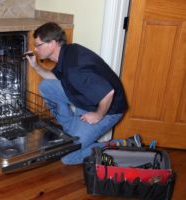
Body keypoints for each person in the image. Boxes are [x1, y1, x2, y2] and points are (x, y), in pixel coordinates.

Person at [25, 22, 131, 165]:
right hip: (86, 98)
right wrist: (36, 66)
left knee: (67, 157)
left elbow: (108, 92)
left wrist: (98, 115)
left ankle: (122, 146)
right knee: (47, 86)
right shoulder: (68, 52)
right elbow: (56, 78)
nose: (36, 50)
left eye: (38, 45)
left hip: (108, 109)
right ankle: (71, 131)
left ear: (52, 44)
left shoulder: (74, 69)